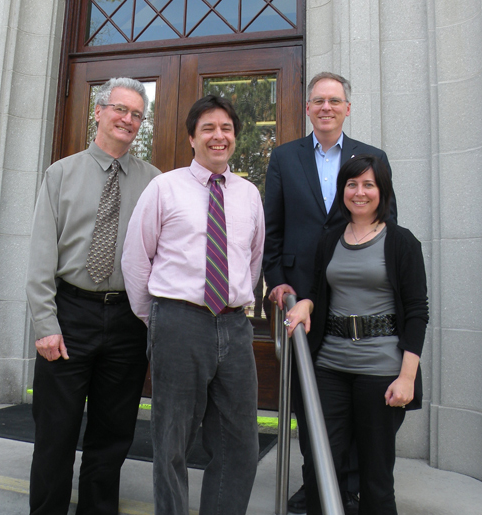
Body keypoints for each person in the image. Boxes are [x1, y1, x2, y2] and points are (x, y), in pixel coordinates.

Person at [121, 94, 265, 515]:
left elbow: (252, 259)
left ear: (234, 137)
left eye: (226, 129)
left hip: (234, 326)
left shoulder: (248, 194)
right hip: (179, 322)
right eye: (208, 128)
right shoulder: (164, 187)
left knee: (240, 443)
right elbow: (136, 259)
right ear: (192, 138)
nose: (219, 136)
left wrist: (235, 299)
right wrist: (158, 319)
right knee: (172, 443)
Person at [263, 71, 397, 514]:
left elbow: (387, 227)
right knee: (310, 396)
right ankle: (315, 481)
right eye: (318, 100)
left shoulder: (371, 157)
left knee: (358, 395)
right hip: (301, 295)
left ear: (347, 108)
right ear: (307, 108)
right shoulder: (284, 157)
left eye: (334, 100)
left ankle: (351, 483)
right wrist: (276, 281)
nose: (326, 107)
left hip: (355, 295)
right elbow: (272, 229)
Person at [26, 77, 161, 515]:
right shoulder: (61, 174)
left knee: (112, 436)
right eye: (120, 109)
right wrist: (45, 325)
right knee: (55, 434)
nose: (128, 119)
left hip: (127, 320)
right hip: (69, 316)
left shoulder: (154, 182)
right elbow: (40, 258)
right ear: (99, 112)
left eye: (137, 114)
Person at [284, 154, 428, 515]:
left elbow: (417, 313)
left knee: (375, 478)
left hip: (381, 370)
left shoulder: (402, 242)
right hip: (329, 367)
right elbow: (319, 290)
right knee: (319, 469)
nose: (359, 192)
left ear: (382, 191)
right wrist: (307, 304)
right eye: (351, 184)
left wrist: (407, 377)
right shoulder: (330, 239)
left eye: (368, 184)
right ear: (342, 190)